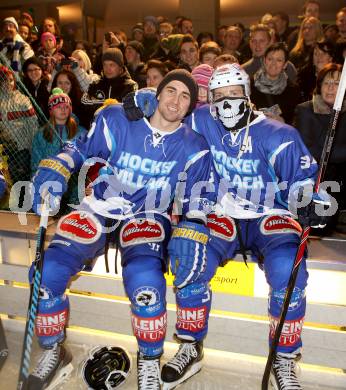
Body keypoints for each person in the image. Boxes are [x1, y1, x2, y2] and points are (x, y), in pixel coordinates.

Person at [124, 63, 331, 390]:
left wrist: (314, 202)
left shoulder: (279, 135)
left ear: (247, 96)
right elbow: (169, 110)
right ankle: (192, 345)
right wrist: (146, 98)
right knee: (188, 252)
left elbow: (304, 183)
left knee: (287, 269)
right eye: (218, 96)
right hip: (222, 213)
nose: (226, 103)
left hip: (268, 215)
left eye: (234, 95)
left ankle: (284, 357)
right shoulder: (204, 119)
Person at [28, 69, 216, 390]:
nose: (176, 100)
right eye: (171, 91)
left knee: (146, 283)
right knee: (47, 273)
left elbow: (201, 193)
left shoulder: (193, 144)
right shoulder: (117, 118)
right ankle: (55, 351)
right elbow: (81, 146)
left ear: (190, 107)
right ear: (157, 94)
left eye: (186, 96)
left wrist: (193, 225)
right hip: (101, 205)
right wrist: (58, 165)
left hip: (147, 214)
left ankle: (148, 361)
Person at [294, 63, 346, 234]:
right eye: (326, 83)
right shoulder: (306, 110)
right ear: (319, 86)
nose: (331, 88)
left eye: (337, 83)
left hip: (338, 181)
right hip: (311, 180)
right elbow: (308, 150)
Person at [31, 88, 86, 212]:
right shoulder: (41, 134)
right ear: (51, 110)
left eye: (66, 107)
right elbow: (35, 162)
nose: (63, 110)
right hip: (50, 184)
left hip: (75, 188)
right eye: (58, 107)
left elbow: (89, 160)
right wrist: (36, 181)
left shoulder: (81, 133)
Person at [250, 42, 301, 124]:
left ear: (285, 65)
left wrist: (283, 121)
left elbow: (296, 120)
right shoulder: (250, 86)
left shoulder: (292, 90)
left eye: (279, 60)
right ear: (264, 61)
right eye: (270, 59)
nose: (273, 63)